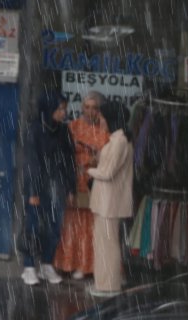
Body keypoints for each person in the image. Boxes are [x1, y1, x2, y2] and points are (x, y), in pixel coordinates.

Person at [19, 93, 75, 286]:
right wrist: (33, 190)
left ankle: (46, 263)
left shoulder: (63, 131)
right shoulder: (35, 130)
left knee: (54, 225)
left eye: (64, 108)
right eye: (60, 109)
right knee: (33, 225)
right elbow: (31, 162)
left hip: (57, 185)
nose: (63, 112)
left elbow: (69, 160)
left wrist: (70, 188)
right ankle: (28, 267)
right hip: (38, 184)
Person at [55, 91, 109, 279]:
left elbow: (109, 157)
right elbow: (63, 155)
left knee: (90, 224)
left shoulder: (104, 129)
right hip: (74, 179)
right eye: (87, 107)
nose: (90, 111)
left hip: (94, 180)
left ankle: (86, 265)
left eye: (95, 108)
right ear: (81, 108)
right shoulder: (72, 127)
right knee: (71, 222)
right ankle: (69, 263)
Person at [87, 102, 134, 297]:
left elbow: (107, 172)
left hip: (110, 201)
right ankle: (104, 283)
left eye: (103, 117)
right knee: (105, 243)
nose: (100, 120)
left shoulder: (119, 141)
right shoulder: (116, 139)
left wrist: (87, 170)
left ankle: (109, 286)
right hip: (107, 200)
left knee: (108, 244)